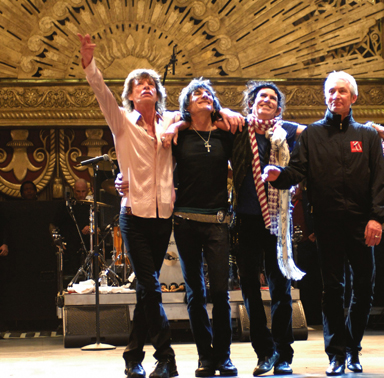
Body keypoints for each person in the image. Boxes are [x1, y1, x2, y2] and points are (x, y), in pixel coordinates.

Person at [263, 71, 384, 375]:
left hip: (362, 223)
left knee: (364, 287)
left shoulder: (368, 136)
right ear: (325, 97)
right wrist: (278, 177)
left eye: (342, 91)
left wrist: (376, 218)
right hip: (327, 223)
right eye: (331, 91)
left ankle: (353, 348)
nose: (336, 96)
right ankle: (335, 354)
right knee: (333, 289)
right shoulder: (311, 136)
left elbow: (379, 181)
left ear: (353, 98)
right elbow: (296, 171)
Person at [78, 33, 179, 378]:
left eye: (150, 83)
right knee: (151, 286)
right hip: (132, 214)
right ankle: (167, 357)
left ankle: (132, 357)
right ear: (131, 95)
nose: (145, 87)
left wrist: (177, 124)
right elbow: (100, 92)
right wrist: (90, 63)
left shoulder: (170, 122)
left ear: (158, 93)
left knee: (144, 289)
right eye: (138, 85)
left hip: (163, 214)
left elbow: (200, 113)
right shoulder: (121, 121)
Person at [231, 81, 304, 376]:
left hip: (278, 219)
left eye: (273, 98)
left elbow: (319, 133)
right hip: (246, 219)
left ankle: (284, 353)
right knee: (249, 288)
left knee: (281, 290)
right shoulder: (238, 129)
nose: (267, 100)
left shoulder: (286, 131)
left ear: (279, 107)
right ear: (251, 104)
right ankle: (265, 352)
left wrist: (374, 129)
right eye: (262, 96)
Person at [171, 78, 238, 377]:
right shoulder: (180, 135)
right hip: (184, 221)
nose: (203, 96)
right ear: (187, 104)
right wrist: (175, 124)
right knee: (195, 293)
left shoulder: (226, 135)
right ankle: (204, 357)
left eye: (208, 93)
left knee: (221, 293)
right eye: (196, 94)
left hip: (217, 222)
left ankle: (223, 356)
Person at [52, 179, 92, 280]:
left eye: (83, 191)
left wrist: (91, 228)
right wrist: (56, 241)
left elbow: (99, 227)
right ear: (74, 190)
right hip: (69, 246)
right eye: (78, 191)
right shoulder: (66, 206)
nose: (81, 194)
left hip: (87, 245)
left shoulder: (90, 206)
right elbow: (53, 225)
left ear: (87, 191)